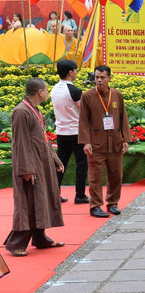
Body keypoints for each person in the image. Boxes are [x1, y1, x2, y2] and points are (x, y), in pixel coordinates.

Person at [4, 78, 65, 256]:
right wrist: (26, 170)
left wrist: (54, 158)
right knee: (29, 204)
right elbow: (20, 143)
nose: (48, 93)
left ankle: (40, 237)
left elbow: (43, 139)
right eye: (46, 90)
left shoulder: (35, 110)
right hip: (30, 166)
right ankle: (16, 243)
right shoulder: (21, 112)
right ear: (40, 92)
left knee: (40, 201)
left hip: (40, 162)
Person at [78, 65, 131, 218]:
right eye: (96, 77)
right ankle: (95, 206)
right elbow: (83, 121)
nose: (99, 80)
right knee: (95, 177)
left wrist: (125, 139)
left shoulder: (117, 95)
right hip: (96, 143)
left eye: (102, 77)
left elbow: (123, 118)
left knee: (116, 175)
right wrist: (86, 142)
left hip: (115, 142)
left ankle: (113, 203)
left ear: (109, 78)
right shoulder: (87, 96)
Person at [51, 59, 88, 204]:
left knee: (60, 163)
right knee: (81, 162)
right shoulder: (74, 91)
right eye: (76, 70)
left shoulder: (54, 89)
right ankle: (80, 195)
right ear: (70, 72)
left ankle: (54, 194)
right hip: (75, 131)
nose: (76, 73)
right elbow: (85, 110)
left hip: (61, 131)